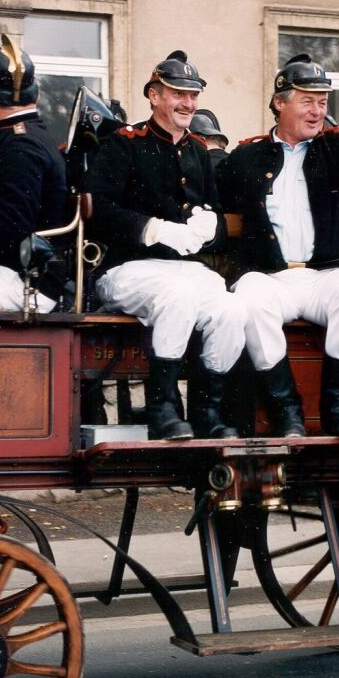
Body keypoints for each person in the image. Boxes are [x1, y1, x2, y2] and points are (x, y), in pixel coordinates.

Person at [218, 52, 339, 443]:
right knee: (249, 302)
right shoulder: (247, 156)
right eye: (307, 101)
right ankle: (286, 411)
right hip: (271, 276)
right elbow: (210, 188)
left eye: (323, 102)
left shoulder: (335, 150)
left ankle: (336, 408)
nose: (317, 111)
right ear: (279, 102)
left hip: (324, 273)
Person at [87, 50, 247, 441]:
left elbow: (218, 214)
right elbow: (98, 210)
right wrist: (152, 229)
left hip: (188, 269)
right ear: (154, 95)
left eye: (192, 96)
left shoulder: (197, 151)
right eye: (177, 94)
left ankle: (208, 411)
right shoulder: (124, 144)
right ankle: (164, 406)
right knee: (177, 296)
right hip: (128, 268)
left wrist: (212, 227)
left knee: (231, 309)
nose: (187, 103)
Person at [0, 35, 68, 313]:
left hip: (24, 278)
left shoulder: (19, 145)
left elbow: (11, 223)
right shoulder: (30, 137)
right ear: (37, 95)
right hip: (17, 269)